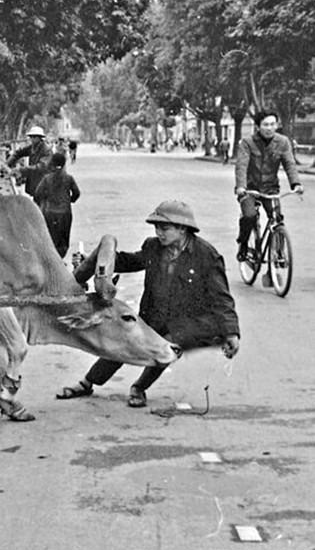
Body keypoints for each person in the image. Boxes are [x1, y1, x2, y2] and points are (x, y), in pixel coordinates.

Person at [56, 200, 240, 409]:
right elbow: (130, 261)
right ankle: (87, 383)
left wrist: (231, 332)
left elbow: (221, 298)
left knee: (166, 350)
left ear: (182, 228)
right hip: (153, 313)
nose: (159, 232)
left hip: (185, 321)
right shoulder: (153, 247)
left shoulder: (206, 255)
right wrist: (99, 261)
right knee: (122, 343)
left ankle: (139, 388)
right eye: (156, 227)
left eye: (164, 228)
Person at [235, 110, 304, 263]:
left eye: (273, 124)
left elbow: (289, 164)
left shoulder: (283, 142)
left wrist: (296, 183)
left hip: (270, 189)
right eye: (265, 124)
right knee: (249, 216)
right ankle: (243, 244)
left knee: (277, 219)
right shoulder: (247, 142)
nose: (269, 128)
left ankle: (279, 253)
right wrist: (241, 186)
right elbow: (241, 166)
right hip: (249, 188)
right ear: (258, 126)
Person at [33, 152, 80, 258]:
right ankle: (61, 259)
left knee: (51, 239)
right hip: (65, 213)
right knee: (63, 240)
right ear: (64, 164)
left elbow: (37, 194)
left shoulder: (46, 179)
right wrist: (70, 200)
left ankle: (53, 261)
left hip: (50, 213)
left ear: (52, 164)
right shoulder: (69, 178)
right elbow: (76, 193)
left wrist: (43, 201)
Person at [7, 125, 54, 196]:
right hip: (35, 182)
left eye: (34, 137)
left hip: (44, 181)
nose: (32, 139)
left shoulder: (46, 150)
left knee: (43, 202)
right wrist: (7, 164)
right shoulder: (32, 147)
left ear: (40, 138)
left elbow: (41, 166)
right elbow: (18, 153)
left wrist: (21, 170)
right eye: (31, 137)